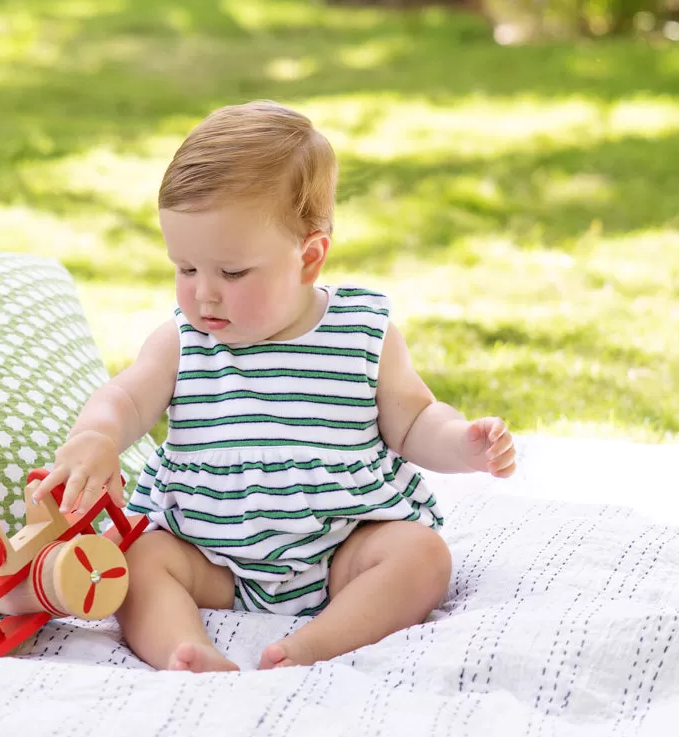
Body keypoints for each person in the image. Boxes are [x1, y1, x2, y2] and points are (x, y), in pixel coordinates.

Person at [33, 101, 515, 672]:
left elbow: (414, 420)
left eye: (231, 272)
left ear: (308, 258)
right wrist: (97, 436)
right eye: (185, 268)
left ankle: (313, 646)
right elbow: (124, 396)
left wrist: (463, 444)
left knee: (422, 556)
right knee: (136, 558)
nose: (204, 294)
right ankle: (182, 651)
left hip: (342, 546)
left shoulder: (363, 333)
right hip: (208, 553)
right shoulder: (185, 341)